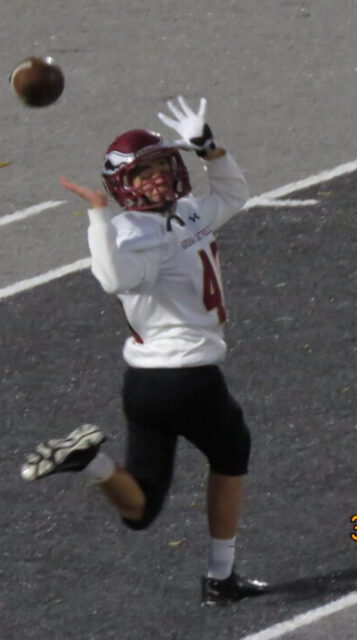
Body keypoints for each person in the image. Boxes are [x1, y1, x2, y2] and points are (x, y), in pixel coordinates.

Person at [20, 96, 270, 607]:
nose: (156, 179)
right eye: (142, 174)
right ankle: (220, 578)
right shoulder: (133, 231)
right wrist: (97, 217)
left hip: (144, 384)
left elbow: (234, 193)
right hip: (190, 376)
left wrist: (209, 148)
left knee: (141, 509)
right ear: (123, 186)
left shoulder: (187, 213)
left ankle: (90, 461)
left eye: (160, 167)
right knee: (232, 452)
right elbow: (115, 279)